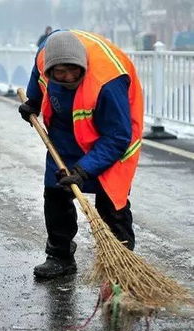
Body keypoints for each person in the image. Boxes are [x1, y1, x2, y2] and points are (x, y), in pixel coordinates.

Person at [18, 30, 143, 279]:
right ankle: (60, 256)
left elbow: (118, 137)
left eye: (73, 71)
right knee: (55, 192)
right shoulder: (45, 58)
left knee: (111, 203)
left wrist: (83, 169)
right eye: (60, 73)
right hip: (66, 129)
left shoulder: (108, 82)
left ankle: (122, 263)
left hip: (111, 136)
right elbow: (38, 77)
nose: (68, 77)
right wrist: (34, 101)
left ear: (83, 64)